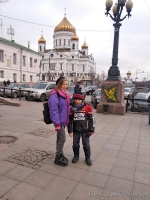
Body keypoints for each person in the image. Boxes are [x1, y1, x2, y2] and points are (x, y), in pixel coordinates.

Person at [68, 91, 95, 166]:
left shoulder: (87, 107)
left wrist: (91, 129)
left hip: (85, 130)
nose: (77, 101)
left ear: (82, 100)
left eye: (79, 100)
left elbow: (91, 119)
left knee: (86, 145)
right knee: (75, 145)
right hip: (76, 130)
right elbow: (70, 120)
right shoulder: (71, 108)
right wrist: (70, 130)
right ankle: (76, 156)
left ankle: (88, 158)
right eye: (76, 99)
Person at [48, 76, 70, 166]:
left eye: (66, 84)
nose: (65, 86)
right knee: (63, 138)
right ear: (59, 84)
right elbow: (53, 111)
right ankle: (58, 156)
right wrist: (57, 124)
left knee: (59, 138)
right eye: (63, 84)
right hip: (59, 122)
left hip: (63, 120)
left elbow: (65, 108)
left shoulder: (66, 94)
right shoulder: (55, 95)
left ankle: (59, 154)